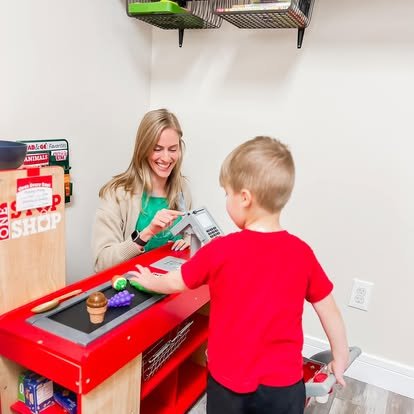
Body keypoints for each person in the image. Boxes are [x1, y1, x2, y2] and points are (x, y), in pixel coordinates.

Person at [130, 136, 349, 414]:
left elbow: (176, 281)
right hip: (284, 386)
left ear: (244, 198)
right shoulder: (301, 252)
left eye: (227, 193)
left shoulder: (220, 251)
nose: (226, 200)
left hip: (229, 385)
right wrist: (339, 356)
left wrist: (149, 280)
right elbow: (329, 309)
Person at [92, 108, 191, 273]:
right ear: (143, 149)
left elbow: (188, 232)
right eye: (157, 149)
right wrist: (147, 234)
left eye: (173, 149)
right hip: (132, 292)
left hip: (172, 287)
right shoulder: (117, 193)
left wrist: (188, 240)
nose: (166, 158)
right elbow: (102, 262)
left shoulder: (182, 188)